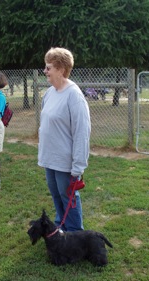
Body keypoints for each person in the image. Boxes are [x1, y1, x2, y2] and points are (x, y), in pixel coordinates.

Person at [38, 47, 91, 232]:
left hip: (65, 160)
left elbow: (81, 133)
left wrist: (78, 165)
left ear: (61, 69)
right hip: (50, 158)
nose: (45, 71)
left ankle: (75, 234)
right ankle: (61, 227)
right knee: (56, 194)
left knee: (68, 196)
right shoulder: (50, 93)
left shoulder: (74, 96)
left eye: (48, 67)